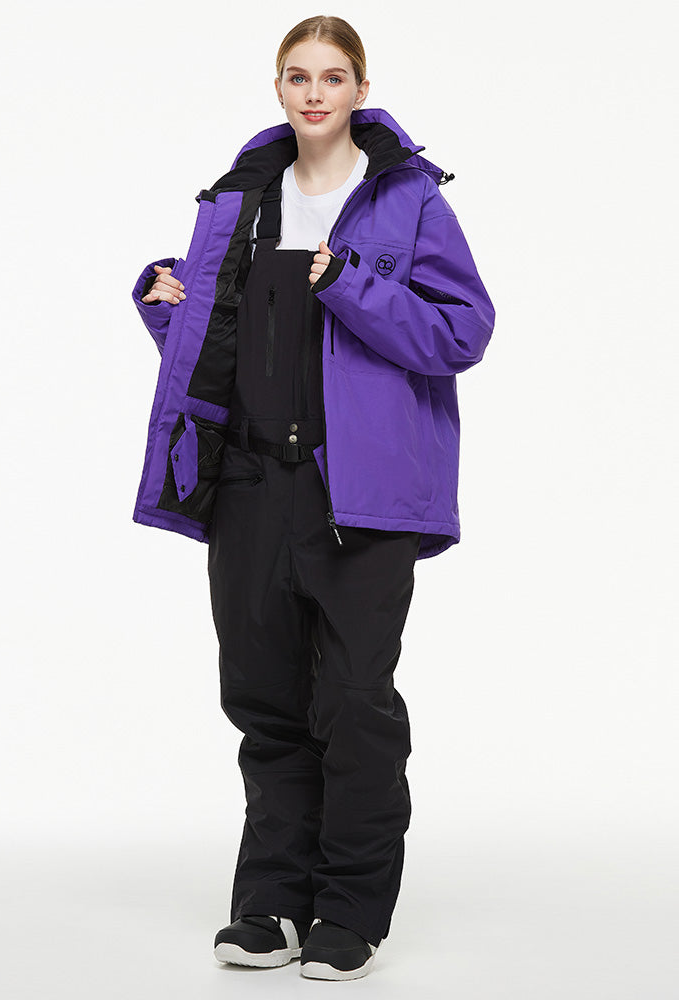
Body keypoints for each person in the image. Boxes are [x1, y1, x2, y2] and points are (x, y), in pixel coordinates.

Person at [131, 14, 495, 981]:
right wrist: (167, 307)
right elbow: (232, 345)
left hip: (359, 494)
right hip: (250, 483)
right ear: (279, 89)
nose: (315, 93)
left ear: (361, 91)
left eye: (334, 77)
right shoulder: (242, 197)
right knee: (264, 699)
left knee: (354, 702)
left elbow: (462, 333)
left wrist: (350, 284)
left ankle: (349, 911)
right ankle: (270, 904)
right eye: (299, 76)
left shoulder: (408, 201)